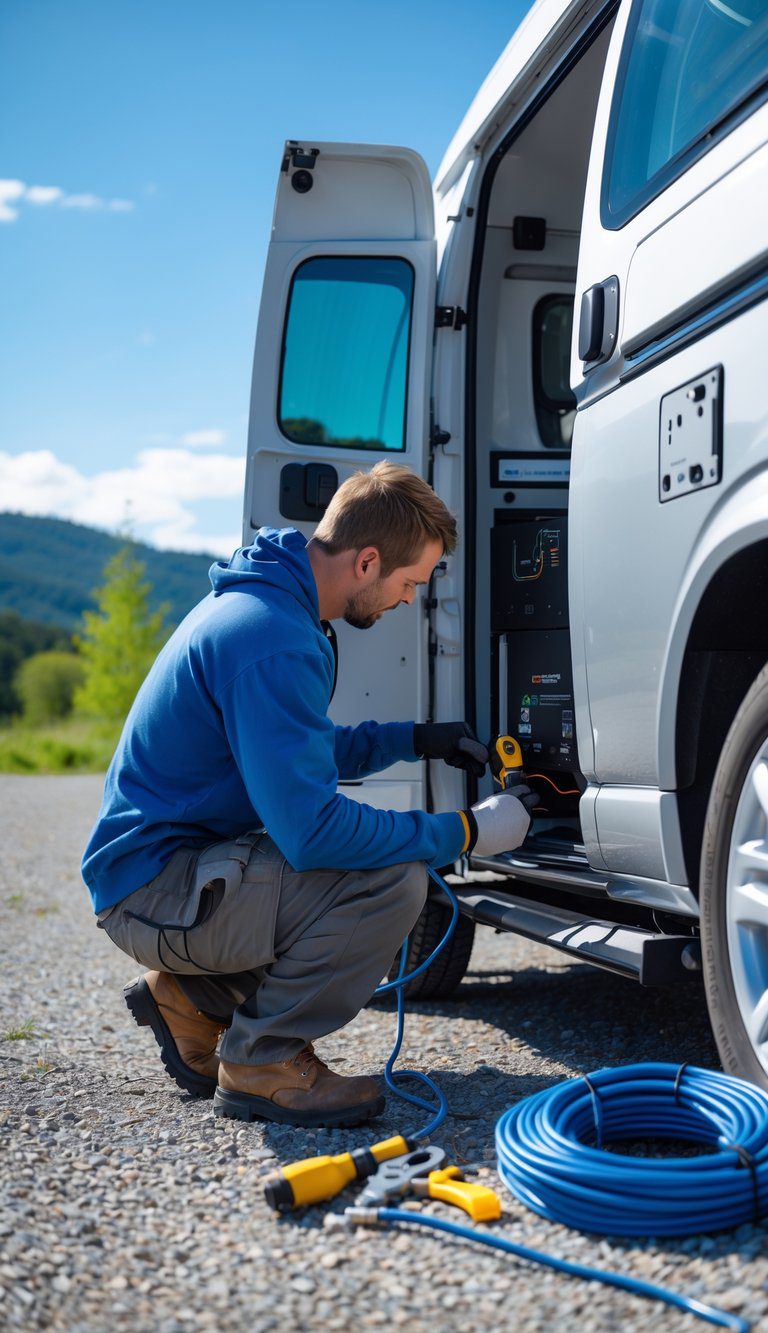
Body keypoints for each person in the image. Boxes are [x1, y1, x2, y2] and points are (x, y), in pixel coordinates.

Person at [82, 462, 534, 1128]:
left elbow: (296, 749)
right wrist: (467, 831)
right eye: (410, 582)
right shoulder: (270, 637)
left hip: (159, 878)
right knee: (388, 883)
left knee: (346, 870)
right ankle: (262, 1060)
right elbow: (313, 832)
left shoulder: (268, 605)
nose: (410, 599)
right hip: (154, 892)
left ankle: (191, 998)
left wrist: (414, 737)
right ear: (368, 561)